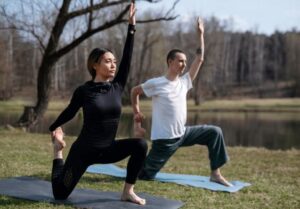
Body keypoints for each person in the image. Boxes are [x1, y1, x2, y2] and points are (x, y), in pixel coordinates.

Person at [49, 2, 148, 205]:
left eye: (114, 61)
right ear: (95, 65)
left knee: (140, 145)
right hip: (83, 152)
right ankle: (57, 151)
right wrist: (54, 128)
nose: (113, 65)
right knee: (60, 194)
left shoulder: (117, 86)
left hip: (108, 149)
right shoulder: (84, 91)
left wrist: (131, 27)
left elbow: (128, 59)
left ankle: (128, 191)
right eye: (107, 61)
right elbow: (69, 112)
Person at [131, 17, 232, 187]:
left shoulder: (185, 82)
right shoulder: (156, 83)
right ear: (170, 62)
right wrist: (136, 114)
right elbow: (135, 91)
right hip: (165, 140)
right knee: (144, 175)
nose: (184, 64)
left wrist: (201, 34)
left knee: (215, 132)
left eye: (185, 61)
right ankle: (137, 163)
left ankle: (215, 173)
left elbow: (199, 59)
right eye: (180, 61)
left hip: (183, 134)